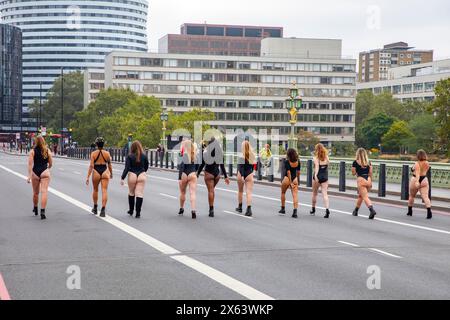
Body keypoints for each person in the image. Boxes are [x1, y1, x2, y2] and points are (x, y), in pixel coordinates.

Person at [197, 137, 230, 217]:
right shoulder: (220, 152)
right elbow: (222, 165)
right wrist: (226, 176)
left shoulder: (207, 152)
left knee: (210, 191)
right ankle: (211, 207)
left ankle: (211, 210)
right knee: (212, 190)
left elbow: (202, 164)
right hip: (217, 174)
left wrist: (197, 173)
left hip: (209, 173)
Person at [121, 141, 149, 219]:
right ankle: (138, 213)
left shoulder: (129, 156)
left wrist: (122, 178)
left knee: (131, 192)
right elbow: (147, 166)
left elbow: (126, 168)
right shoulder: (144, 156)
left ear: (132, 148)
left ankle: (131, 210)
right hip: (142, 174)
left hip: (132, 174)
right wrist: (143, 171)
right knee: (139, 193)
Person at [27, 136, 53, 220]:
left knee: (35, 193)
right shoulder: (47, 150)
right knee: (44, 192)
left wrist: (29, 176)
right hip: (45, 171)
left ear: (35, 142)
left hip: (35, 172)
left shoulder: (32, 151)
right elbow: (51, 163)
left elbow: (30, 165)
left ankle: (35, 208)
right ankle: (43, 211)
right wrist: (48, 168)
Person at [86, 137, 112, 218]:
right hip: (104, 170)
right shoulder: (107, 153)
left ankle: (95, 207)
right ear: (103, 144)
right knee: (104, 190)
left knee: (95, 190)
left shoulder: (93, 153)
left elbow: (91, 166)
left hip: (96, 171)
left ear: (96, 144)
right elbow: (109, 165)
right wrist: (111, 173)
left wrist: (87, 176)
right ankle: (103, 209)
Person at [351, 148, 377, 220]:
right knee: (361, 196)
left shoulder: (355, 162)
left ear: (357, 154)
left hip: (361, 179)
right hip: (368, 179)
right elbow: (371, 173)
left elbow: (353, 173)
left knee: (365, 197)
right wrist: (371, 182)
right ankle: (356, 210)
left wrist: (356, 169)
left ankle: (372, 210)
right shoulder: (369, 162)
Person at [407, 150, 433, 219]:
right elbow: (425, 170)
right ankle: (429, 212)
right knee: (425, 197)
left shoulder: (416, 163)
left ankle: (410, 211)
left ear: (417, 156)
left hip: (415, 179)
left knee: (412, 196)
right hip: (424, 179)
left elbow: (417, 172)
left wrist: (417, 181)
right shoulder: (427, 163)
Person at [178, 139, 198, 219]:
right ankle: (193, 210)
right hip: (192, 173)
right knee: (192, 193)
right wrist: (195, 172)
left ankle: (181, 208)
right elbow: (197, 166)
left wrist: (179, 177)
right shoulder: (195, 155)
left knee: (182, 192)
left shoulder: (183, 155)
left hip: (184, 173)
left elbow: (181, 166)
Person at [236, 140, 256, 217]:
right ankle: (249, 209)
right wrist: (251, 173)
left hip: (241, 174)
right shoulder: (252, 155)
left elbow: (241, 168)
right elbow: (253, 166)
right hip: (250, 174)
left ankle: (240, 207)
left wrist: (242, 176)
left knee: (240, 191)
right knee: (249, 192)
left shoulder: (241, 156)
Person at [310, 143, 331, 219]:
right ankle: (327, 209)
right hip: (325, 177)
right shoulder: (327, 158)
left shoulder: (315, 158)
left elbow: (316, 169)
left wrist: (315, 176)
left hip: (317, 177)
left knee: (314, 194)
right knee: (325, 194)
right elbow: (328, 165)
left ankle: (313, 209)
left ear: (316, 150)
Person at [279, 148, 300, 218]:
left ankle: (283, 208)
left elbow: (288, 172)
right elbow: (298, 172)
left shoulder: (287, 161)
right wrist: (296, 180)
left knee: (283, 193)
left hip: (287, 179)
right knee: (295, 195)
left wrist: (290, 182)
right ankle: (295, 212)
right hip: (295, 179)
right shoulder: (298, 161)